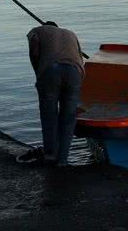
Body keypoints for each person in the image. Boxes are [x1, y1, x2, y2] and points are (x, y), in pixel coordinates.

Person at [27, 21, 85, 166]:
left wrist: (38, 75)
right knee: (68, 118)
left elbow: (34, 53)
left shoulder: (36, 30)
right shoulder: (70, 33)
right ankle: (63, 160)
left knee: (49, 115)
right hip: (75, 72)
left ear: (46, 26)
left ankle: (50, 155)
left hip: (51, 71)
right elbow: (80, 58)